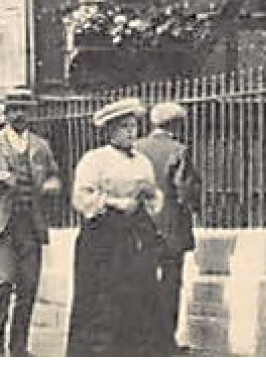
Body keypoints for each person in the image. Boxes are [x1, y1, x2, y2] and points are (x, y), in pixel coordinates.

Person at [66, 97, 174, 357]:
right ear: (110, 130)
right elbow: (81, 197)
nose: (131, 132)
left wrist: (150, 194)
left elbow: (154, 201)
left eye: (134, 126)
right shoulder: (95, 159)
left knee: (139, 294)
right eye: (124, 127)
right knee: (102, 299)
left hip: (134, 237)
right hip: (102, 238)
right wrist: (114, 202)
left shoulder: (142, 161)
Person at [0, 98, 62, 356]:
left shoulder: (41, 145)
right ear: (5, 114)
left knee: (28, 287)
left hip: (31, 224)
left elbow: (54, 174)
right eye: (14, 110)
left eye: (24, 110)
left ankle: (19, 345)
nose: (19, 115)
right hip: (0, 225)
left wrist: (52, 185)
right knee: (3, 283)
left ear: (30, 113)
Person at [135, 100, 201, 352]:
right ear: (175, 124)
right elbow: (184, 190)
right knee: (170, 283)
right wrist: (194, 209)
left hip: (140, 227)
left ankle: (142, 338)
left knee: (142, 280)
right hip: (171, 228)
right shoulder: (179, 150)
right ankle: (165, 341)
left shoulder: (136, 148)